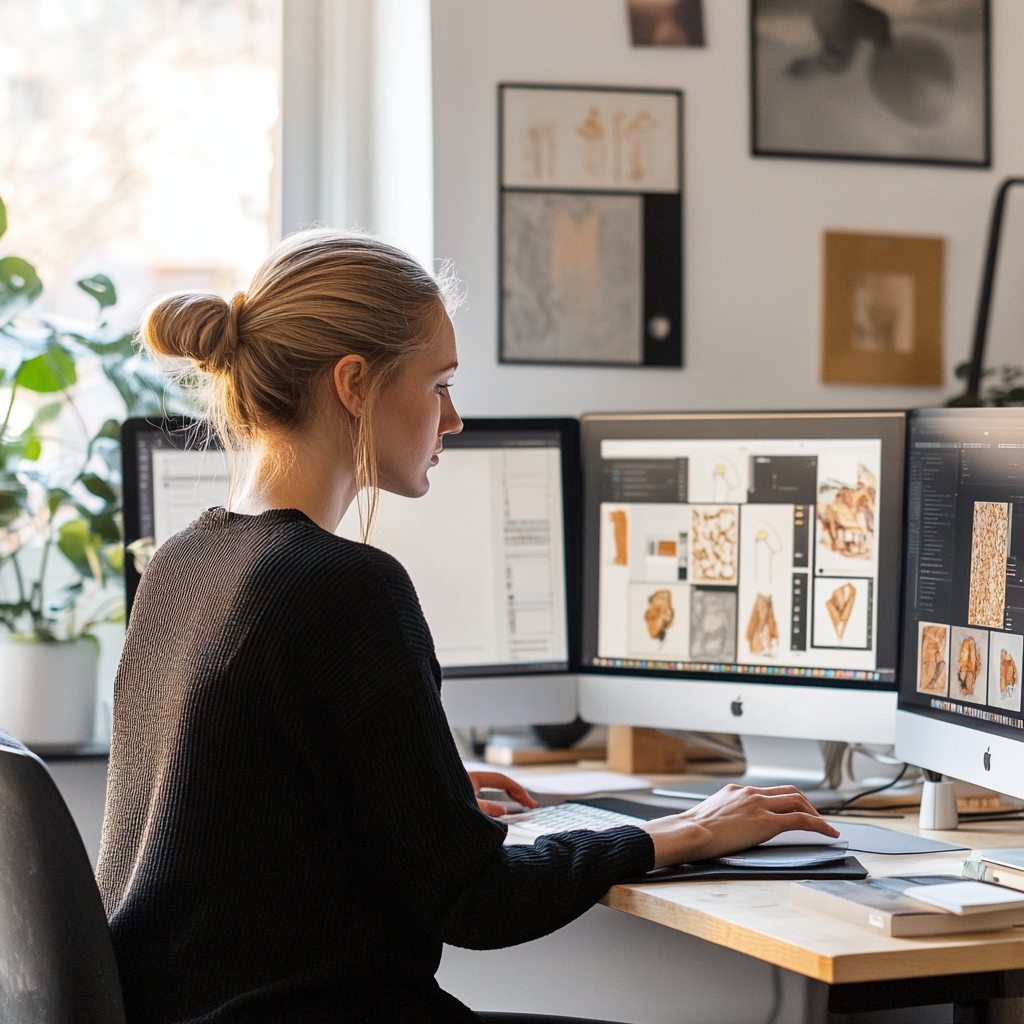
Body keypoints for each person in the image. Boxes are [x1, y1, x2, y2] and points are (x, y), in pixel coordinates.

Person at [98, 229, 838, 1024]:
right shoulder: (343, 587)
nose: (452, 418)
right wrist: (678, 835)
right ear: (353, 383)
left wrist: (420, 801)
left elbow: (242, 820)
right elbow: (477, 902)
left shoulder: (180, 561)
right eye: (439, 384)